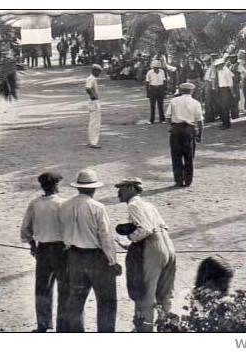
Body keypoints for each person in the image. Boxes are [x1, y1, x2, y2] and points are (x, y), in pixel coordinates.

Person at [59, 169, 121, 332]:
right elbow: (105, 237)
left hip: (74, 256)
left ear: (78, 187)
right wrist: (112, 261)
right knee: (106, 301)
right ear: (94, 188)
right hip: (96, 258)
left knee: (76, 300)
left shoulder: (65, 205)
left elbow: (62, 230)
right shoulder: (98, 207)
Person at [115, 178, 176, 332]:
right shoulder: (149, 205)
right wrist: (132, 244)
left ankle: (144, 330)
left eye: (121, 188)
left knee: (146, 293)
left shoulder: (134, 205)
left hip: (153, 247)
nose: (118, 192)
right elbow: (160, 227)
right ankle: (166, 329)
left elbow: (145, 230)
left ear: (131, 188)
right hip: (168, 245)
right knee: (165, 293)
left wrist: (131, 238)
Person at [20, 172, 67, 332]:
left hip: (43, 249)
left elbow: (25, 229)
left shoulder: (35, 204)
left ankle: (43, 325)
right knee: (64, 288)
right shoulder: (63, 203)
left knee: (42, 288)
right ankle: (63, 326)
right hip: (62, 250)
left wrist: (33, 245)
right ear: (55, 185)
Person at [166, 83, 204, 187]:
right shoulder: (195, 103)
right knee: (189, 156)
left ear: (180, 90)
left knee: (176, 155)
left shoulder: (174, 101)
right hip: (189, 130)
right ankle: (188, 180)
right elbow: (200, 121)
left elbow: (168, 116)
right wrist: (199, 134)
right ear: (192, 91)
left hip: (176, 129)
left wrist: (170, 126)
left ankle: (178, 180)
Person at [85, 64, 103, 148]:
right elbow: (88, 88)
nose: (99, 74)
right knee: (95, 123)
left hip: (94, 102)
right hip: (94, 102)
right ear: (94, 71)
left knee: (93, 122)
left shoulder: (93, 78)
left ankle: (92, 140)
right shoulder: (91, 78)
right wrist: (93, 96)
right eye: (98, 72)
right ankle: (93, 142)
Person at [213, 58, 234, 130]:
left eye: (219, 65)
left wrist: (232, 92)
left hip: (225, 89)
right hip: (219, 90)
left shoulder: (227, 71)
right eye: (217, 66)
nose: (217, 67)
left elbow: (230, 83)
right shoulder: (218, 71)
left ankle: (227, 124)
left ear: (222, 65)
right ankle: (224, 122)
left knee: (225, 107)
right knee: (221, 107)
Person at [203, 55, 217, 122]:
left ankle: (210, 117)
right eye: (205, 61)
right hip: (206, 83)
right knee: (207, 101)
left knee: (209, 101)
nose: (206, 62)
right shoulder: (207, 67)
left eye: (207, 61)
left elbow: (213, 77)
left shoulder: (212, 67)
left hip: (210, 83)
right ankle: (209, 116)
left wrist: (213, 87)